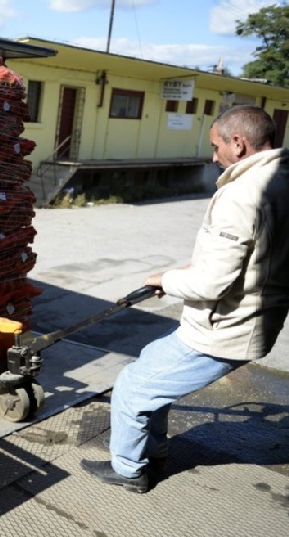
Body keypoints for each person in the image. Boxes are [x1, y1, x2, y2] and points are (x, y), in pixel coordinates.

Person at [81, 104, 289, 493]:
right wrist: (184, 275)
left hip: (223, 329)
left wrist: (168, 279)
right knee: (151, 368)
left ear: (239, 143)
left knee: (130, 388)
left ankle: (128, 470)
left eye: (216, 146)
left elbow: (212, 284)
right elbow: (251, 258)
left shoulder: (242, 194)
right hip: (251, 320)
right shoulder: (283, 181)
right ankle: (153, 451)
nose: (213, 157)